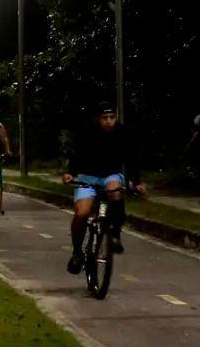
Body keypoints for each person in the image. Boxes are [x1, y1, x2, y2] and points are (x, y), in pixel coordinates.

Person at [63, 102, 146, 274]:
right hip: (87, 176)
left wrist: (137, 182)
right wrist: (70, 173)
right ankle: (77, 251)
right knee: (82, 213)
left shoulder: (122, 133)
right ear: (98, 119)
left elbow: (131, 160)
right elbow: (76, 154)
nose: (108, 121)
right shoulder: (88, 132)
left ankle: (115, 234)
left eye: (111, 117)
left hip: (111, 175)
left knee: (115, 192)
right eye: (104, 118)